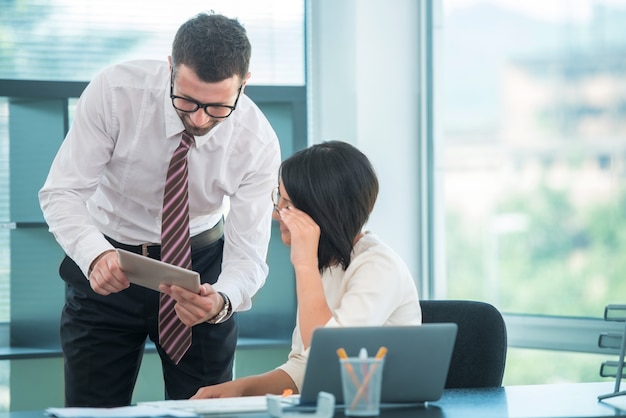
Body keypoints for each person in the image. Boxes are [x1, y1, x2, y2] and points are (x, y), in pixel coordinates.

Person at [38, 12, 281, 407]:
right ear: (171, 67)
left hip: (199, 273)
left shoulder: (257, 141)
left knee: (204, 410)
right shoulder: (116, 92)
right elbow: (61, 192)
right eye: (186, 99)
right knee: (91, 412)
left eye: (218, 107)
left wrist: (220, 301)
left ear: (244, 83)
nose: (199, 118)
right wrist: (94, 253)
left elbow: (249, 254)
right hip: (108, 263)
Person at [188, 140, 422, 398]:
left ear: (322, 212)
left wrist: (304, 263)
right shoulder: (328, 261)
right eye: (279, 199)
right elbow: (305, 364)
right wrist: (239, 389)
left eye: (288, 205)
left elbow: (330, 359)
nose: (277, 214)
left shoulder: (377, 267)